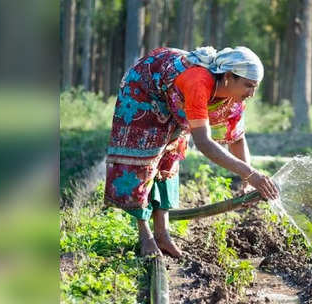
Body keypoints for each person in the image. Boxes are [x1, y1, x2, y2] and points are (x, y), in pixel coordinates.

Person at [104, 46, 280, 258]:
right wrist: (250, 174)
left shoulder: (234, 101)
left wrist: (246, 179)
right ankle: (146, 236)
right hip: (144, 90)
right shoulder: (199, 82)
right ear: (227, 77)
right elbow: (204, 142)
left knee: (170, 158)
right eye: (248, 86)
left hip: (175, 99)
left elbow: (236, 138)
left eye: (255, 87)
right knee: (143, 160)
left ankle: (163, 235)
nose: (251, 94)